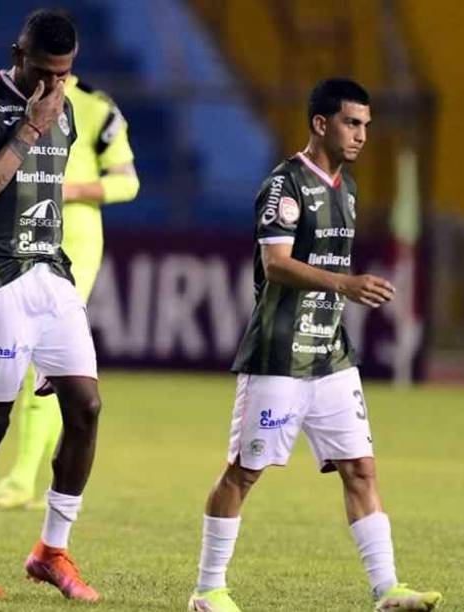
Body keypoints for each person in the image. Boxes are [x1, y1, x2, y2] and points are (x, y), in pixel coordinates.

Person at [186, 78, 442, 612]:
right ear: (321, 123)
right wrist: (346, 284)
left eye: (367, 126)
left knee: (361, 468)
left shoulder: (346, 189)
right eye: (352, 123)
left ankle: (387, 589)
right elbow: (274, 264)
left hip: (331, 355)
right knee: (244, 471)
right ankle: (208, 589)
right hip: (280, 356)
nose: (362, 135)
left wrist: (341, 293)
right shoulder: (283, 186)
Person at [0, 9, 104, 601]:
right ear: (19, 53)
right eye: (43, 71)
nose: (54, 84)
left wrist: (47, 118)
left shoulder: (66, 108)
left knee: (85, 408)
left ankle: (51, 552)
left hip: (50, 274)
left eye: (63, 74)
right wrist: (31, 129)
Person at [0, 71, 139, 511]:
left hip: (74, 242)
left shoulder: (96, 107)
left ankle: (22, 479)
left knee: (46, 360)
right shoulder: (6, 100)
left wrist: (64, 189)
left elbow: (127, 181)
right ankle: (23, 476)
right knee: (12, 352)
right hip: (15, 237)